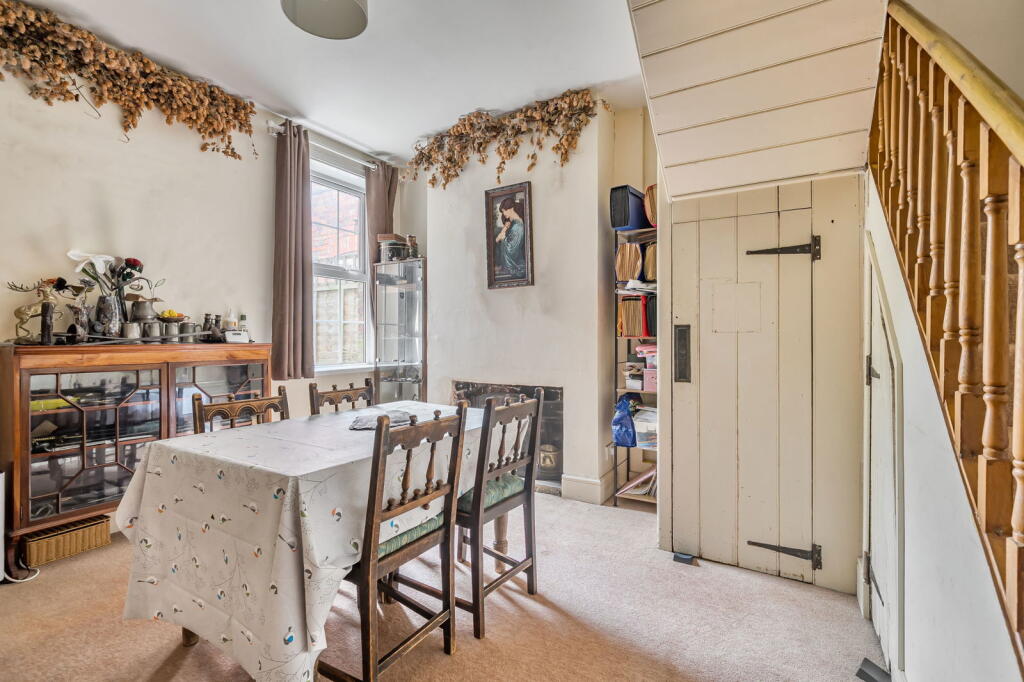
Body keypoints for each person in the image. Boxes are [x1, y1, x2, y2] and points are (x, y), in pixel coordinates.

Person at [495, 196, 527, 279]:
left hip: (516, 266)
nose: (504, 213)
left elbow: (512, 249)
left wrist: (502, 238)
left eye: (504, 211)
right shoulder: (511, 222)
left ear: (511, 208)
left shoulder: (518, 226)